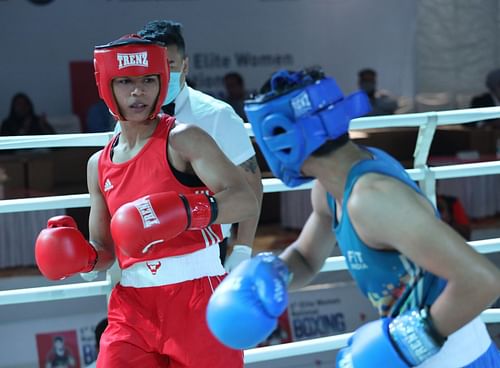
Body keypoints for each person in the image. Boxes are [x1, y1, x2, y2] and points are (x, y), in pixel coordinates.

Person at [207, 68, 500, 367]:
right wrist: (273, 272)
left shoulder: (372, 197)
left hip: (458, 358)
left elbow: (483, 280)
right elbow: (307, 257)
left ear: (286, 138)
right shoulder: (330, 186)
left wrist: (408, 341)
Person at [34, 35, 258, 367]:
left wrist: (186, 212)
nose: (137, 91)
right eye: (125, 81)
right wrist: (81, 258)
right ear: (106, 85)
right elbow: (104, 249)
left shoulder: (184, 139)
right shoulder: (99, 164)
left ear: (162, 82)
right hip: (131, 306)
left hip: (196, 297)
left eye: (148, 80)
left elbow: (245, 199)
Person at [136, 20, 263, 270]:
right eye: (153, 65)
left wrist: (243, 248)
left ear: (185, 65)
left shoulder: (216, 115)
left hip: (206, 246)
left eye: (169, 64)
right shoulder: (129, 119)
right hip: (145, 246)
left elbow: (252, 184)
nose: (161, 72)